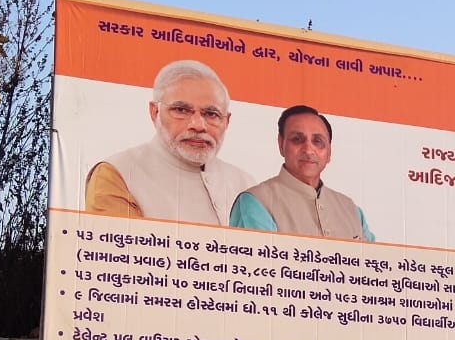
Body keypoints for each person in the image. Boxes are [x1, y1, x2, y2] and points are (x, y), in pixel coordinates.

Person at [85, 60, 254, 224]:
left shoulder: (245, 184)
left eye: (211, 114)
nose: (198, 125)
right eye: (181, 110)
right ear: (155, 112)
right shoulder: (118, 174)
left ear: (227, 121)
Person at [230, 105, 374, 241]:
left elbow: (373, 257)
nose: (308, 150)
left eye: (318, 141)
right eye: (297, 140)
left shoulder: (351, 210)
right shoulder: (257, 201)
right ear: (281, 144)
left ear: (329, 152)